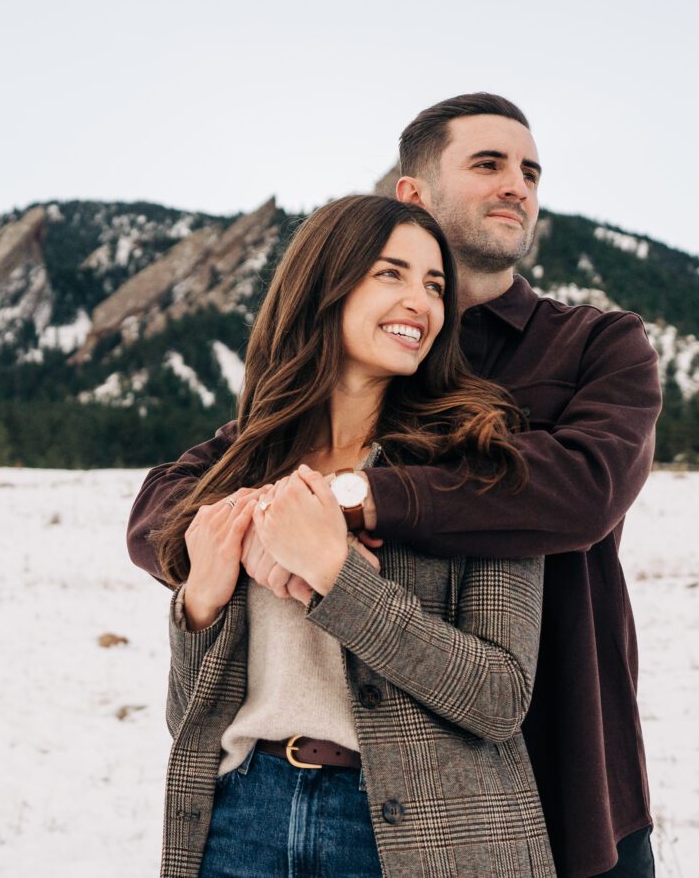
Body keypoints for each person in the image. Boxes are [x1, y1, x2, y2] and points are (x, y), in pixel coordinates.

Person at [131, 93, 663, 877]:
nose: (517, 184)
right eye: (487, 163)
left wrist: (347, 521)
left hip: (559, 771)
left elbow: (581, 493)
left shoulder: (564, 368)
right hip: (256, 813)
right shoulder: (293, 434)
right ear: (408, 193)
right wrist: (217, 563)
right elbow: (166, 509)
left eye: (531, 171)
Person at [148, 194, 555, 877]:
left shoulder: (477, 456)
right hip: (243, 822)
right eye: (390, 273)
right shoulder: (247, 466)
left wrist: (340, 578)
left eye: (434, 284)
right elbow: (188, 719)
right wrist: (200, 605)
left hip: (419, 833)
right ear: (325, 286)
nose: (420, 302)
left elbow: (499, 696)